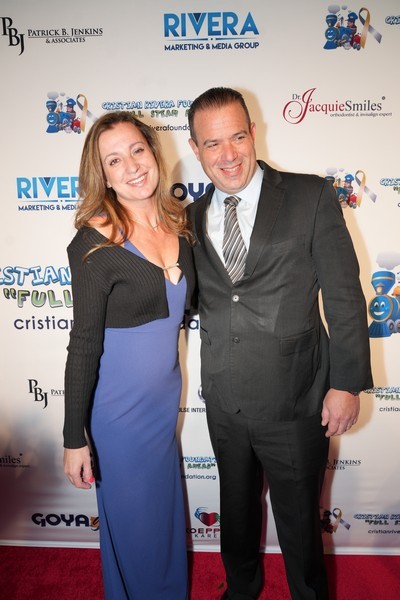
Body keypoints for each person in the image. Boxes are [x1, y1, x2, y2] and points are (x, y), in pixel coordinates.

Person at [187, 87, 373, 600]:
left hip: (297, 401)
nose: (228, 154)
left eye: (237, 137)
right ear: (196, 149)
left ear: (254, 132)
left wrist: (346, 384)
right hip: (224, 401)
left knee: (300, 526)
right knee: (236, 518)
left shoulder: (310, 196)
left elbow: (344, 296)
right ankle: (240, 591)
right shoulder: (191, 217)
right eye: (212, 143)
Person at [63, 111, 196, 599]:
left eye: (137, 150)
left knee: (162, 520)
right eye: (114, 160)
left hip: (162, 408)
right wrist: (73, 437)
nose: (132, 166)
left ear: (154, 153)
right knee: (136, 526)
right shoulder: (93, 242)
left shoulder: (181, 227)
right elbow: (84, 343)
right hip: (119, 415)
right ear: (102, 175)